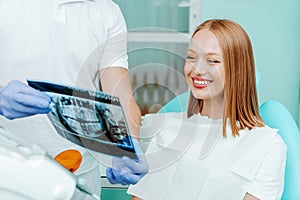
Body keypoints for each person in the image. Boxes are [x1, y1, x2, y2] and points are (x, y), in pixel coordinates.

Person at [0, 0, 147, 199]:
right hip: (7, 168)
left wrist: (128, 146)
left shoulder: (106, 11)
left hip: (78, 171)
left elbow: (121, 97)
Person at [127, 19, 287, 200]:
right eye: (191, 57)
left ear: (238, 69)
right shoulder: (166, 127)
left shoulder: (266, 145)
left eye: (212, 60)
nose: (197, 69)